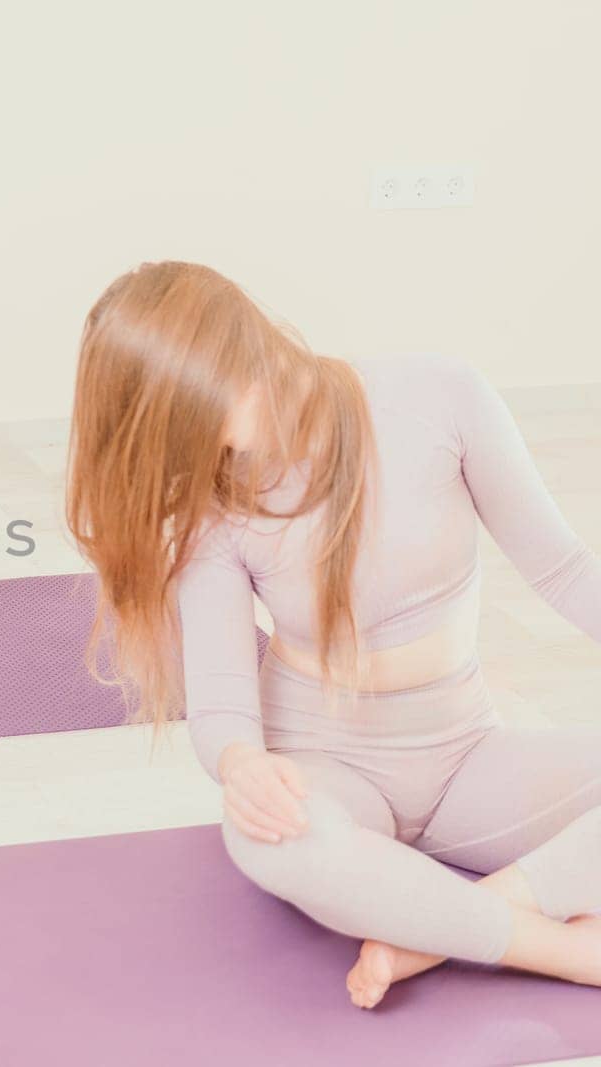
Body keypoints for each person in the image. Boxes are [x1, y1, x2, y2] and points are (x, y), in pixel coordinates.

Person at [65, 261, 601, 1008]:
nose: (211, 440)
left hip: (468, 752)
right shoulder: (213, 510)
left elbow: (568, 571)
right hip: (325, 764)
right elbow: (222, 701)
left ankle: (438, 928)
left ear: (237, 343)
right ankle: (561, 949)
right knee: (265, 837)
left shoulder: (440, 397)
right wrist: (243, 764)